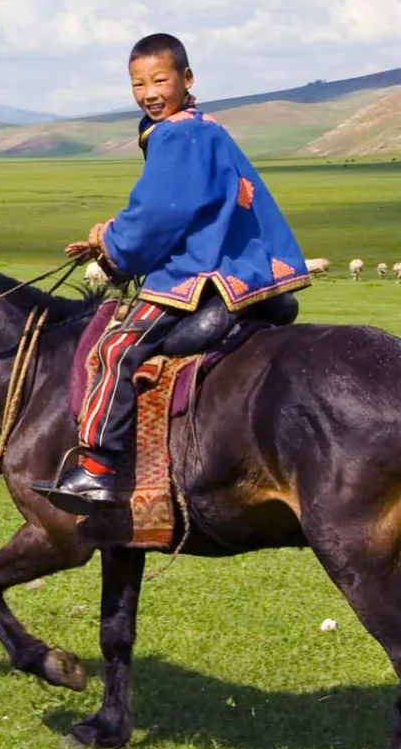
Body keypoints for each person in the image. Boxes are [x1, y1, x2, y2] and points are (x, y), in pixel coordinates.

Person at [35, 33, 310, 513]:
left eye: (160, 79)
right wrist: (110, 238)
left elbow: (160, 214)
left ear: (187, 78)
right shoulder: (201, 128)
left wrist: (112, 246)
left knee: (116, 348)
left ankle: (96, 469)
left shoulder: (177, 133)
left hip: (203, 269)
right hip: (240, 265)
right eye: (137, 83)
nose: (149, 92)